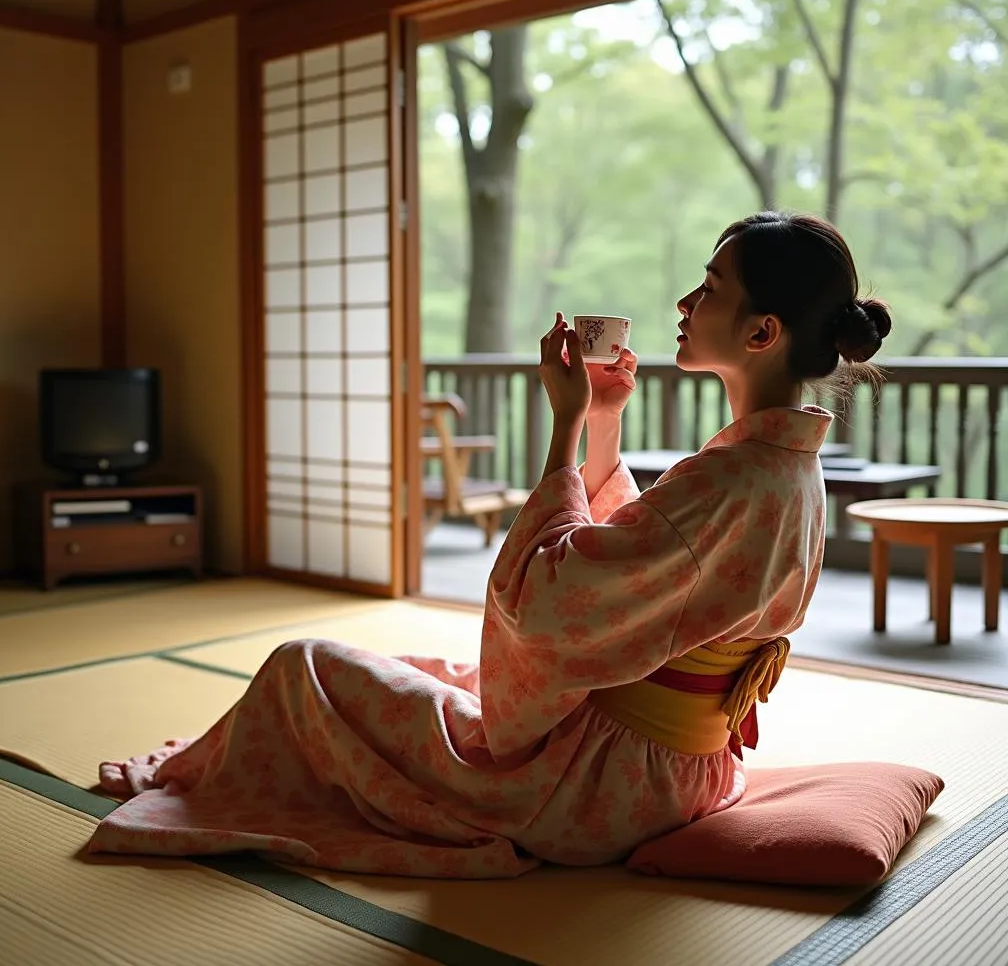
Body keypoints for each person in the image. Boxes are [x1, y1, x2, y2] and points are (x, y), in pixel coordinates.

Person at [89, 210, 892, 879]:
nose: (686, 301)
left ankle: (208, 783)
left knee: (303, 665)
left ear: (762, 331)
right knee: (429, 670)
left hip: (592, 794)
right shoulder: (783, 467)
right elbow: (644, 559)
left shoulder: (731, 478)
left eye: (710, 288)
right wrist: (608, 418)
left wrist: (568, 422)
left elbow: (547, 603)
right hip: (687, 771)